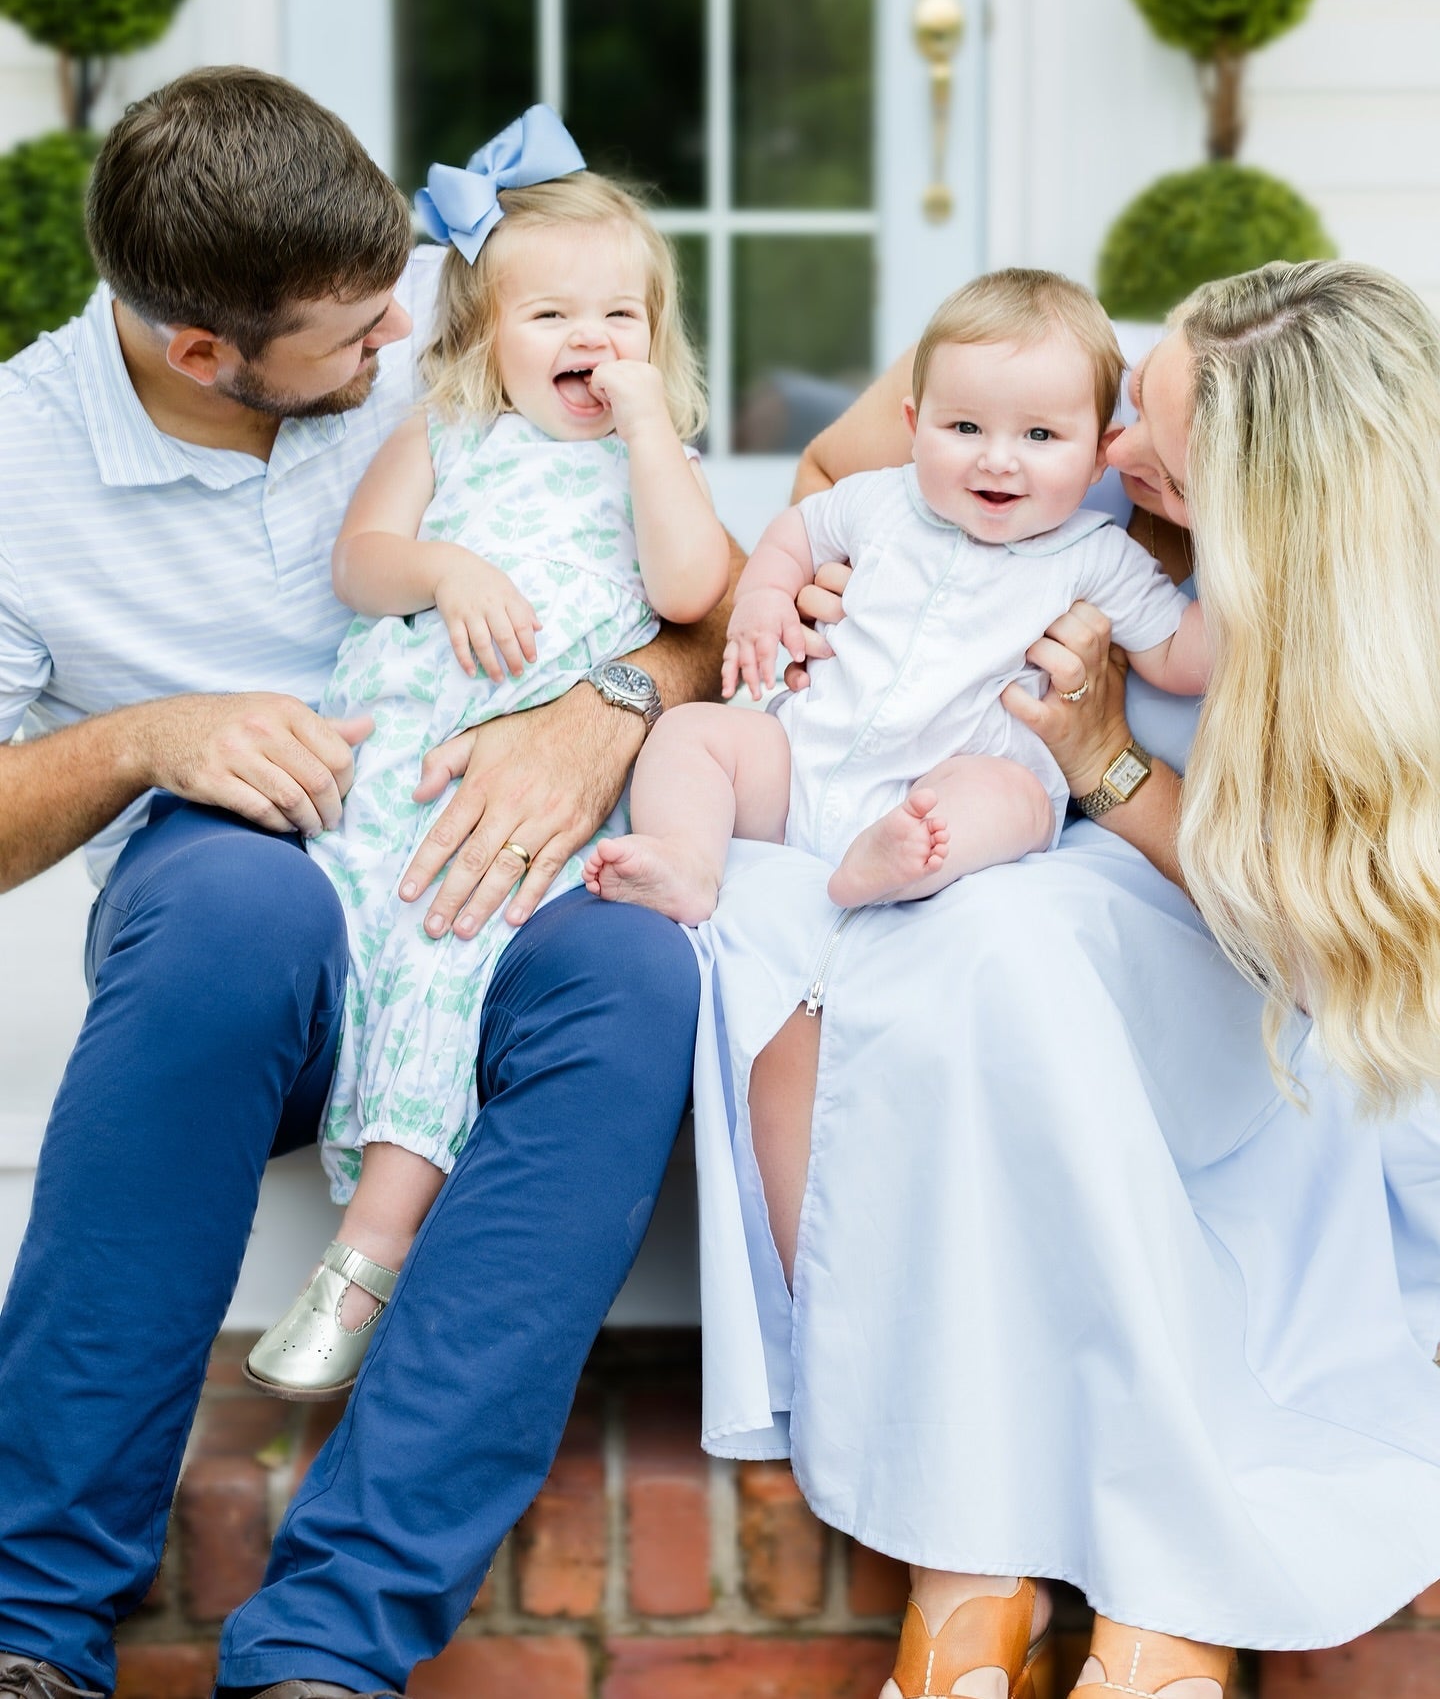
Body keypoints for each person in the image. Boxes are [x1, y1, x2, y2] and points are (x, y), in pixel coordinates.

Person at [0, 70, 726, 1699]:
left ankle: (329, 1645)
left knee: (636, 977)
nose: (405, 339)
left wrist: (602, 712)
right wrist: (146, 739)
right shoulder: (16, 469)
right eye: (353, 336)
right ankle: (26, 1619)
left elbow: (695, 608)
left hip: (488, 877)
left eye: (401, 297)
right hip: (253, 925)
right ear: (203, 350)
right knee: (231, 905)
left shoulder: (467, 349)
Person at [688, 258, 1440, 1699]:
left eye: (1152, 445)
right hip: (1070, 911)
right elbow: (855, 458)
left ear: (1272, 508)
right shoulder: (1077, 442)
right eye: (1134, 403)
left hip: (1268, 991)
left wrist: (1102, 755)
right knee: (951, 954)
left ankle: (1157, 1588)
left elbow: (1304, 942)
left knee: (996, 954)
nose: (1113, 454)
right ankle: (979, 1565)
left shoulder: (1352, 631)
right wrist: (816, 577)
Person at [244, 118, 730, 1402]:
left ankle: (371, 1252)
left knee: (457, 937)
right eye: (553, 313)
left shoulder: (654, 465)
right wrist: (445, 567)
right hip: (405, 748)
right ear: (479, 336)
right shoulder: (443, 431)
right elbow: (364, 562)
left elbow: (695, 591)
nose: (593, 340)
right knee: (363, 924)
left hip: (543, 789)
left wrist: (645, 441)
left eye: (620, 316)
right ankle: (382, 1190)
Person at [584, 270, 1206, 928]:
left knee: (1016, 799)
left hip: (939, 791)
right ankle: (686, 859)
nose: (998, 459)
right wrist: (764, 599)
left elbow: (1178, 649)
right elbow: (796, 532)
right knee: (689, 733)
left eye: (1040, 437)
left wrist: (1258, 597)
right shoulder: (882, 498)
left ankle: (895, 863)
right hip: (804, 761)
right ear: (914, 425)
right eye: (965, 427)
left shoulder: (1095, 554)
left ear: (1097, 458)